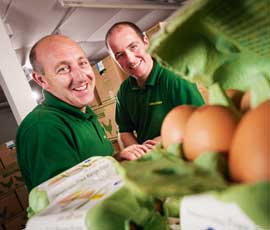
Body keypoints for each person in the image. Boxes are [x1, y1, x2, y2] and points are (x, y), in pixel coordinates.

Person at [16, 35, 120, 192]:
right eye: (63, 69)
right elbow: (70, 206)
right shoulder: (44, 128)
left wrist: (118, 160)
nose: (80, 77)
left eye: (82, 63)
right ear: (41, 80)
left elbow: (92, 174)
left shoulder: (84, 111)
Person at [105, 21, 205, 160]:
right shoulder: (124, 91)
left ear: (146, 41)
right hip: (152, 163)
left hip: (184, 159)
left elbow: (202, 122)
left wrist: (165, 140)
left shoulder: (175, 77)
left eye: (133, 47)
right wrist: (139, 154)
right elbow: (124, 132)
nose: (130, 59)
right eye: (120, 55)